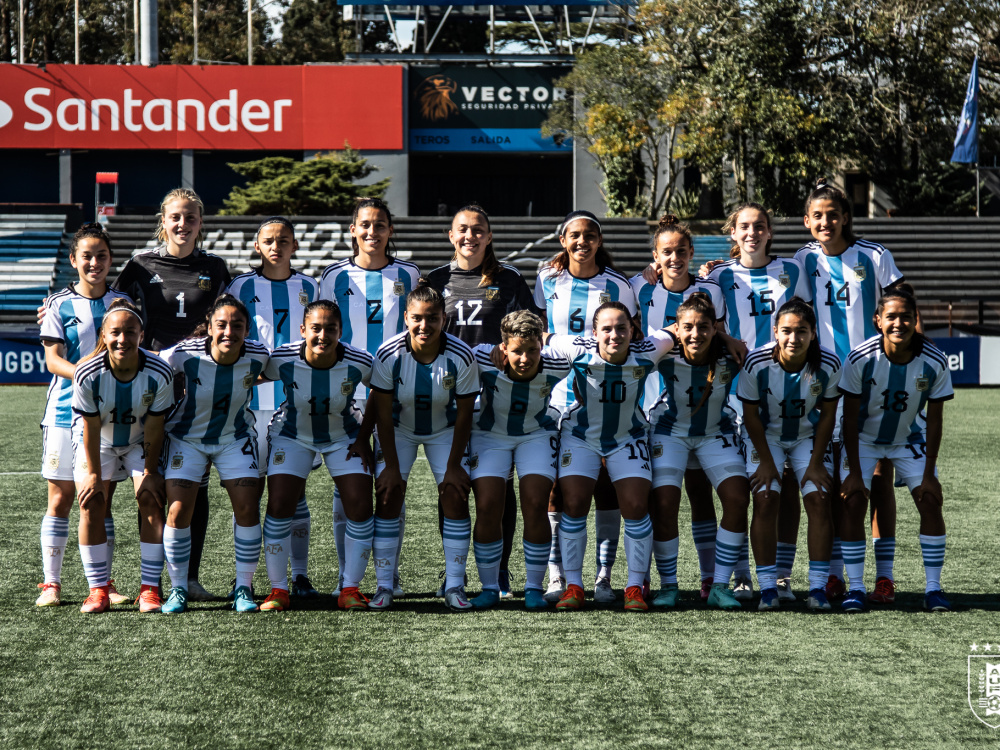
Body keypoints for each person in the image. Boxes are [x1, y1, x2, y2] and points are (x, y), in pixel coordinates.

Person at [112, 188, 232, 601]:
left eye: (191, 218)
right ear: (163, 221)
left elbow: (229, 317)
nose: (183, 225)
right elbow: (111, 309)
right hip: (153, 388)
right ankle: (150, 582)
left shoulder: (215, 267)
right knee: (152, 479)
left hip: (201, 388)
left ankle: (187, 577)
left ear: (201, 223)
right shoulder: (140, 265)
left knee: (195, 483)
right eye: (175, 218)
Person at [794, 180, 907, 605]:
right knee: (833, 479)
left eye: (833, 214)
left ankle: (885, 576)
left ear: (846, 217)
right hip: (822, 385)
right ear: (807, 221)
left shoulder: (875, 256)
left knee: (877, 478)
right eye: (817, 215)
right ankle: (838, 574)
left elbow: (902, 307)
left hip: (871, 381)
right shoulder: (803, 260)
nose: (826, 222)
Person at [426, 204, 540, 599]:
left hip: (496, 398)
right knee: (452, 483)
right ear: (450, 235)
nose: (470, 236)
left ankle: (500, 569)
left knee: (498, 487)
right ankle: (453, 570)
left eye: (478, 229)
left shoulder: (507, 278)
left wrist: (505, 351)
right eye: (462, 229)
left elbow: (529, 329)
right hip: (448, 395)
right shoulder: (436, 279)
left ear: (489, 236)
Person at [707, 202, 812, 601]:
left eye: (760, 226)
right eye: (744, 226)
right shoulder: (717, 274)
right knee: (742, 487)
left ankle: (781, 574)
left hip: (786, 391)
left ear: (770, 232)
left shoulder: (791, 270)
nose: (752, 232)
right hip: (733, 394)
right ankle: (741, 573)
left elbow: (803, 317)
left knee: (783, 489)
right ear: (732, 233)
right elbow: (707, 318)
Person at [543, 301, 676, 612]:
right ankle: (573, 585)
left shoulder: (647, 350)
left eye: (621, 328)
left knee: (635, 506)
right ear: (594, 332)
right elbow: (544, 336)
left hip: (627, 438)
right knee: (574, 503)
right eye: (607, 329)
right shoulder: (576, 348)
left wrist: (726, 339)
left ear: (632, 330)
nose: (614, 335)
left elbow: (675, 329)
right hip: (580, 437)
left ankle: (633, 587)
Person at [533, 209, 638, 603]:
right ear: (563, 240)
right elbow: (541, 331)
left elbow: (632, 335)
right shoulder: (546, 278)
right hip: (558, 397)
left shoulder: (618, 285)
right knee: (558, 489)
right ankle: (558, 575)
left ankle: (604, 575)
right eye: (574, 235)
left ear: (599, 241)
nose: (582, 242)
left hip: (606, 397)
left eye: (590, 235)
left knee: (607, 485)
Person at [320, 197, 419, 598]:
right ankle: (350, 575)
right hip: (348, 395)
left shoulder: (409, 274)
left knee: (392, 483)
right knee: (349, 488)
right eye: (364, 225)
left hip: (398, 395)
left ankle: (388, 574)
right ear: (352, 230)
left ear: (390, 231)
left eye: (380, 225)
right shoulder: (333, 276)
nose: (372, 232)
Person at [630, 214, 730, 601]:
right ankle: (659, 578)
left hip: (703, 405)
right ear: (655, 256)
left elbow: (718, 336)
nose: (675, 258)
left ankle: (710, 578)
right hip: (654, 408)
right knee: (663, 497)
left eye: (681, 251)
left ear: (692, 253)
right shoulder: (639, 286)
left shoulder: (711, 290)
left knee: (702, 491)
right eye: (666, 252)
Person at [838, 286, 953, 613]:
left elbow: (934, 419)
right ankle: (856, 588)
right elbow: (848, 418)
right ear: (878, 320)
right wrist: (855, 473)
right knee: (853, 499)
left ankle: (933, 588)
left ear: (915, 320)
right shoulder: (861, 358)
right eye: (891, 317)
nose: (899, 323)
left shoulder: (934, 360)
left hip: (909, 440)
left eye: (906, 317)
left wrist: (930, 473)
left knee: (930, 500)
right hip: (863, 439)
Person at [36, 223, 134, 607]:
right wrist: (87, 370)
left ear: (111, 260)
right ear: (73, 260)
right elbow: (52, 359)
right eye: (87, 256)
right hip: (64, 412)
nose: (94, 262)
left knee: (100, 499)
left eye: (102, 256)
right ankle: (51, 584)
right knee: (60, 499)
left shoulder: (121, 302)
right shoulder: (59, 303)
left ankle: (103, 584)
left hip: (109, 414)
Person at [368, 284, 479, 611]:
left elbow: (465, 415)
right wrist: (390, 467)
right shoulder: (388, 354)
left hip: (444, 430)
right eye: (417, 318)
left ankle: (455, 585)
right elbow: (383, 415)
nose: (424, 325)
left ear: (444, 318)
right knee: (388, 496)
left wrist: (455, 465)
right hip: (399, 430)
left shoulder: (461, 355)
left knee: (454, 494)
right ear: (406, 318)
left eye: (432, 318)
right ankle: (385, 586)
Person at [258, 301, 375, 612]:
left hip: (344, 437)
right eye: (316, 328)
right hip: (292, 435)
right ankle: (278, 590)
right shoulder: (282, 357)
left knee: (361, 505)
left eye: (331, 329)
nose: (323, 335)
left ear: (341, 331)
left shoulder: (359, 361)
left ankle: (349, 588)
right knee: (280, 503)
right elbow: (250, 374)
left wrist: (364, 438)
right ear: (302, 330)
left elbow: (380, 390)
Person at [158, 295, 270, 614]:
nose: (228, 332)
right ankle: (178, 588)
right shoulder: (184, 353)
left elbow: (281, 369)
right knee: (178, 511)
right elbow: (152, 365)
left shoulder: (258, 355)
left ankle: (243, 588)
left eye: (237, 325)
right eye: (221, 325)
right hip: (186, 438)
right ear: (209, 327)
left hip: (235, 437)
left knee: (247, 507)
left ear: (247, 329)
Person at [226, 216, 319, 598]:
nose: (276, 246)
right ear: (256, 245)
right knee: (247, 493)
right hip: (248, 407)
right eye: (269, 240)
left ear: (295, 245)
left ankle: (299, 577)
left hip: (296, 408)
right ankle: (243, 579)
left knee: (293, 493)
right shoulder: (240, 286)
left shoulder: (311, 285)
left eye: (284, 240)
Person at [645, 294, 748, 610]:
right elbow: (635, 345)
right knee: (664, 501)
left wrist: (726, 337)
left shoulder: (731, 356)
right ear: (676, 328)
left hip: (715, 432)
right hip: (670, 432)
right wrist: (672, 332)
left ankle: (719, 584)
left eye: (703, 327)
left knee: (737, 498)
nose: (695, 334)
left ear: (714, 329)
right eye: (687, 327)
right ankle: (669, 585)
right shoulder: (664, 353)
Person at [70, 299, 174, 613]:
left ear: (141, 335)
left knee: (151, 500)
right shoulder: (87, 372)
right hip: (98, 441)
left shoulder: (159, 372)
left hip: (139, 442)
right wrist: (92, 473)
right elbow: (90, 426)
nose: (122, 339)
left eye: (130, 332)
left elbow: (155, 428)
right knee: (92, 502)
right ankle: (98, 590)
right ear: (104, 334)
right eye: (115, 332)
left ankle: (150, 590)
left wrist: (151, 471)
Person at [738, 299, 841, 611]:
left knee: (820, 498)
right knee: (766, 496)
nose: (793, 338)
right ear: (775, 332)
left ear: (813, 335)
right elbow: (751, 416)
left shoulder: (829, 365)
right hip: (765, 437)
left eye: (802, 331)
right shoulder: (756, 363)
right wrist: (768, 462)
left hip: (806, 437)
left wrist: (814, 462)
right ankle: (768, 587)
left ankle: (818, 588)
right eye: (786, 331)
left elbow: (827, 416)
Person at [468, 310, 571, 610]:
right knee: (488, 505)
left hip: (536, 434)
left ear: (542, 345)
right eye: (516, 351)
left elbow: (589, 349)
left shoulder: (558, 363)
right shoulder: (482, 358)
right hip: (490, 435)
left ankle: (533, 587)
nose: (525, 358)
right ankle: (489, 586)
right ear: (503, 348)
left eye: (532, 350)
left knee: (536, 505)